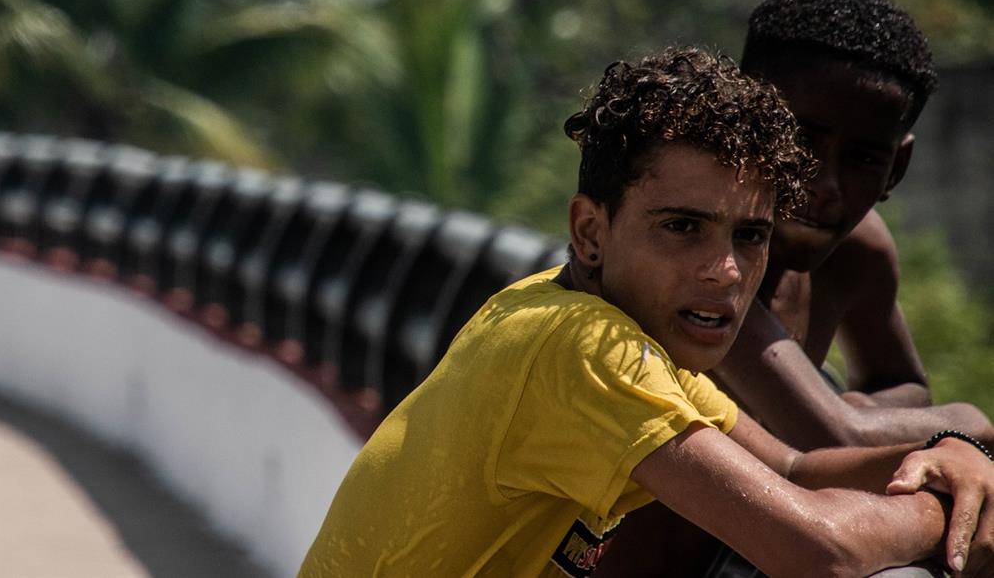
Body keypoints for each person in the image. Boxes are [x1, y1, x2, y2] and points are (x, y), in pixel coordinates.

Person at [299, 48, 994, 578]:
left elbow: (793, 466)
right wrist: (943, 512)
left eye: (749, 236)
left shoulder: (579, 310)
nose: (725, 270)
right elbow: (817, 548)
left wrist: (944, 456)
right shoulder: (583, 347)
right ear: (591, 232)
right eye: (682, 227)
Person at [592, 0, 994, 577]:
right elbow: (831, 436)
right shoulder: (699, 282)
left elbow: (898, 388)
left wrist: (857, 410)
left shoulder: (857, 252)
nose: (823, 184)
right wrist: (971, 429)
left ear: (898, 167)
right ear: (746, 120)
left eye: (862, 158)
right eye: (801, 139)